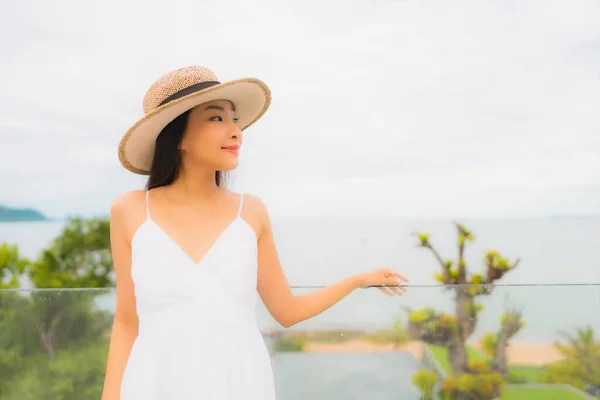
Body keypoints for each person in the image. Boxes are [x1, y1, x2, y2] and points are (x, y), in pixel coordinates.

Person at [100, 66, 409, 400]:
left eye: (235, 120)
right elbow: (127, 323)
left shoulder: (251, 212)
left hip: (239, 383)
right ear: (179, 138)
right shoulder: (130, 210)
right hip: (154, 385)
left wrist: (358, 280)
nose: (236, 132)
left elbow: (286, 312)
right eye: (217, 119)